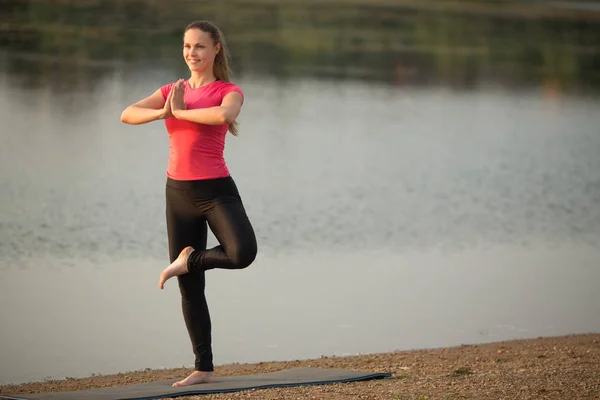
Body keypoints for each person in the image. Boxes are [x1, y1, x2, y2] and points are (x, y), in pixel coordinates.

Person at [120, 20, 257, 387]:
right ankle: (204, 367)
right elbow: (127, 113)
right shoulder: (172, 90)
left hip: (216, 191)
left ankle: (189, 260)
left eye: (199, 46)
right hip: (177, 193)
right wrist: (163, 112)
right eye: (186, 46)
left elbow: (224, 115)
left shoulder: (228, 90)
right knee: (190, 288)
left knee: (242, 253)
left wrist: (180, 113)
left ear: (215, 50)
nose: (192, 53)